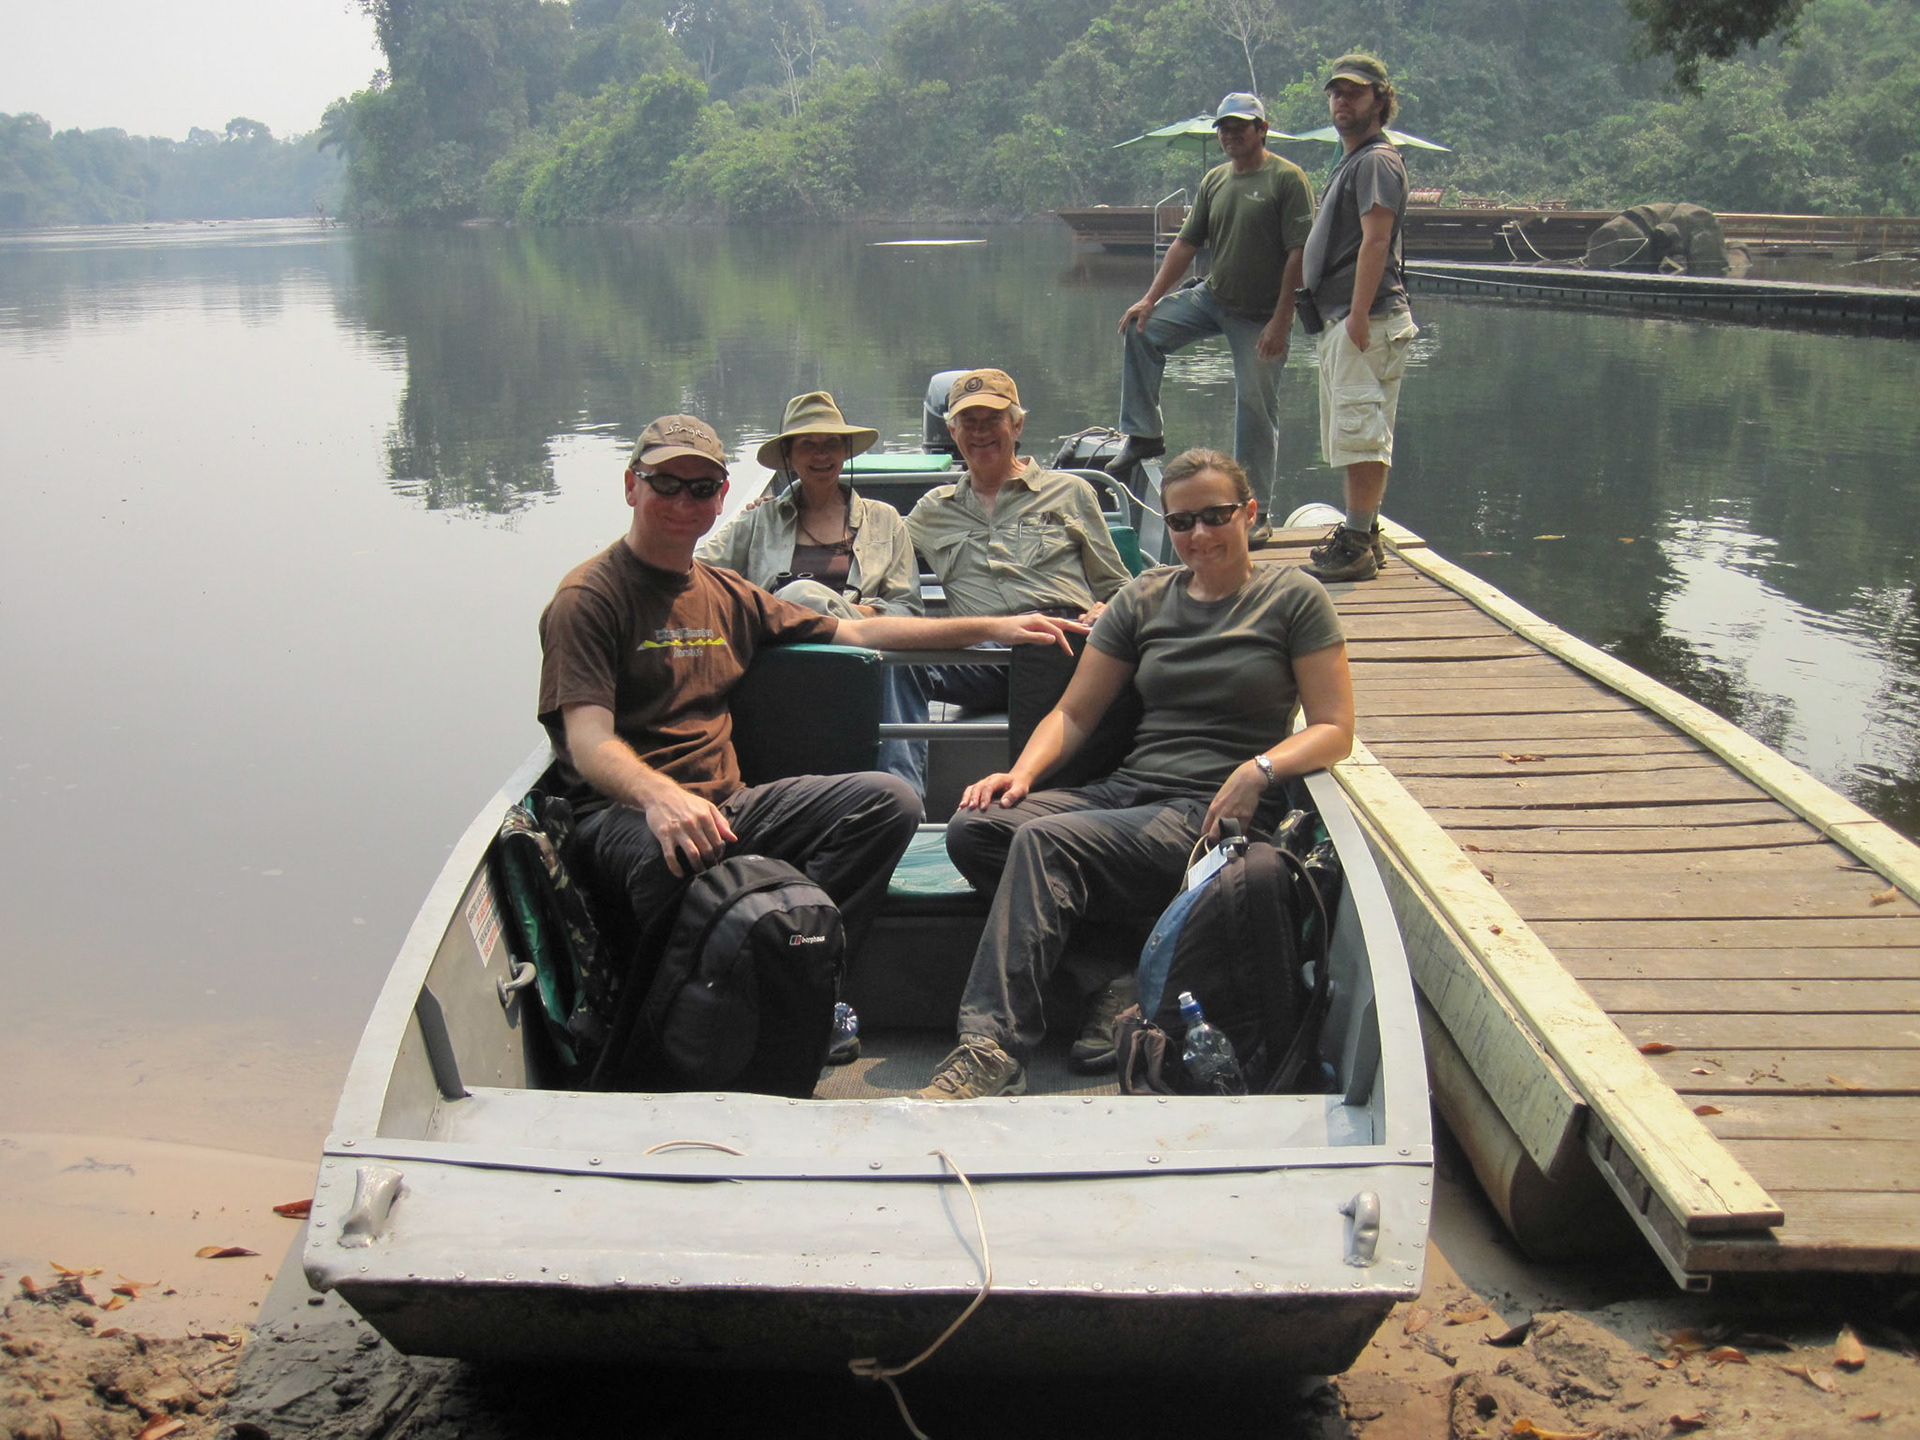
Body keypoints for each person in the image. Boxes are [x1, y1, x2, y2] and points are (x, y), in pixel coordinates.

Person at [539, 413, 1085, 984]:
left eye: (700, 488)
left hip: (728, 807)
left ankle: (805, 976)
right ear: (632, 486)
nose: (683, 502)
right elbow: (588, 741)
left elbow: (862, 632)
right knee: (672, 858)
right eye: (665, 484)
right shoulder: (589, 597)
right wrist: (659, 799)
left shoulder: (728, 594)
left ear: (721, 497)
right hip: (627, 815)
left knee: (888, 803)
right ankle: (686, 1007)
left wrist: (997, 626)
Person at [918, 448, 1354, 1099]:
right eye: (1181, 523)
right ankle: (1109, 976)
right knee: (976, 830)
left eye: (1215, 516)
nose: (1198, 535)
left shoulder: (1293, 598)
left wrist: (1262, 767)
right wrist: (1021, 773)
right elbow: (1074, 711)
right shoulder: (1144, 597)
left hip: (1214, 811)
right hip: (1132, 792)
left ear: (1249, 513)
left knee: (1047, 843)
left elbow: (1334, 729)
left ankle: (993, 1049)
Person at [696, 392, 930, 796]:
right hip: (783, 656)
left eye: (830, 444)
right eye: (808, 443)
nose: (821, 455)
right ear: (789, 453)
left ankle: (905, 797)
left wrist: (855, 614)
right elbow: (697, 568)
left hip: (864, 656)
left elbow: (907, 611)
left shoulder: (884, 520)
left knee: (875, 641)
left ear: (844, 451)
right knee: (797, 598)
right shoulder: (760, 520)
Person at [1109, 93, 1316, 541]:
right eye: (1224, 127)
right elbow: (1186, 244)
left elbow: (1298, 253)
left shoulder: (1287, 179)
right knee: (1142, 331)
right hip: (1212, 297)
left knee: (1256, 407)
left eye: (1241, 126)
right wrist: (1150, 299)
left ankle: (1255, 514)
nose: (1231, 134)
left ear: (1261, 129)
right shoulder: (1215, 180)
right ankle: (1143, 433)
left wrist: (1282, 320)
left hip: (1260, 314)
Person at [905, 368, 1133, 713]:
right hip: (984, 658)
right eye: (969, 422)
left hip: (1063, 643)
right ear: (952, 432)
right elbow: (879, 560)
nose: (980, 432)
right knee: (894, 668)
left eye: (992, 420)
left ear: (1017, 425)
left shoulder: (1071, 492)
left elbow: (1118, 587)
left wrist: (1108, 607)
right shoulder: (931, 511)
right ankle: (897, 770)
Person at [1298, 54, 1419, 585]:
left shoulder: (1375, 161)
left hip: (1362, 316)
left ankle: (1355, 541)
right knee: (1357, 429)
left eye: (1354, 92)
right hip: (1348, 316)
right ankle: (1363, 534)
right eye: (1335, 92)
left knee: (1360, 429)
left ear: (1379, 99)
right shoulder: (1351, 160)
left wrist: (1359, 315)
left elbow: (1376, 238)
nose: (1342, 101)